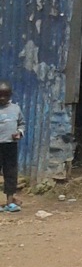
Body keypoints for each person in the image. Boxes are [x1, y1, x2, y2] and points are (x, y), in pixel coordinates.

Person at [0, 81, 25, 212]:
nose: (2, 98)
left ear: (10, 95)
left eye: (5, 95)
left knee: (10, 173)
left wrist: (19, 133)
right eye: (0, 95)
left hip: (10, 145)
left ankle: (10, 202)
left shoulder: (16, 109)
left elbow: (22, 124)